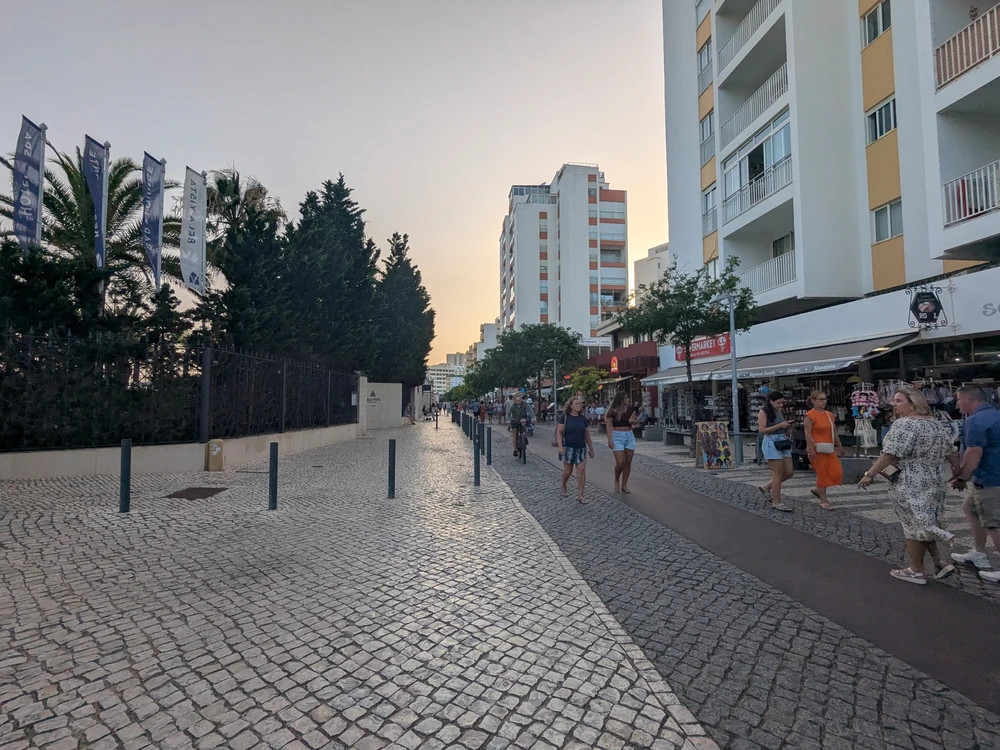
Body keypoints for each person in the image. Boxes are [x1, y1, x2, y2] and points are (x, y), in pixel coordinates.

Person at [859, 386, 958, 585]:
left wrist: (870, 474)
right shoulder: (936, 424)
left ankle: (916, 571)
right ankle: (939, 562)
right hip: (934, 481)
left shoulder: (904, 425)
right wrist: (960, 473)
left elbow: (889, 455)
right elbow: (951, 452)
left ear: (913, 403)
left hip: (910, 481)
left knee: (913, 526)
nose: (893, 404)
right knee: (924, 521)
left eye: (898, 400)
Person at [949, 385, 1000, 583]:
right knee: (970, 508)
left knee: (994, 522)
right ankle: (979, 552)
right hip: (989, 476)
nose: (957, 404)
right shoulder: (995, 415)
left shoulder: (976, 421)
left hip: (989, 479)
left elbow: (973, 452)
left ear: (969, 399)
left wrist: (962, 477)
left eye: (959, 400)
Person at [804, 391, 844, 510]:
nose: (823, 402)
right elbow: (807, 433)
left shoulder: (829, 415)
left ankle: (818, 489)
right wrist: (810, 448)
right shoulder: (810, 415)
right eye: (820, 399)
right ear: (813, 401)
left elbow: (834, 431)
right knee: (823, 473)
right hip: (817, 448)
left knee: (837, 472)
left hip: (829, 447)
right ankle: (823, 499)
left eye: (825, 399)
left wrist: (839, 446)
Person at [757, 391, 794, 512]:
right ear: (771, 401)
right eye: (778, 403)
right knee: (777, 473)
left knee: (789, 471)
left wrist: (787, 428)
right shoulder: (764, 412)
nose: (781, 405)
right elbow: (762, 430)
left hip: (782, 440)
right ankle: (777, 502)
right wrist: (779, 426)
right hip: (771, 442)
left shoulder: (778, 411)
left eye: (782, 403)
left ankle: (766, 487)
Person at [557, 397, 595, 503]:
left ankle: (581, 495)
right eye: (577, 403)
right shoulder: (565, 417)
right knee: (568, 471)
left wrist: (591, 448)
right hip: (568, 447)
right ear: (571, 406)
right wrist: (560, 447)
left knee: (581, 471)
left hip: (581, 448)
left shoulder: (582, 419)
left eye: (580, 404)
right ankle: (564, 485)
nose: (579, 405)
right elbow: (559, 432)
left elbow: (587, 434)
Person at [605, 393, 639, 493]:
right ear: (621, 399)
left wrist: (633, 421)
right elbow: (609, 426)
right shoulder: (612, 412)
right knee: (620, 462)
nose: (628, 399)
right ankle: (616, 479)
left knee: (628, 461)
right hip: (617, 435)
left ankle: (624, 485)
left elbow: (633, 421)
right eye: (626, 397)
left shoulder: (630, 409)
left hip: (629, 435)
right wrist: (610, 439)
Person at [507, 392, 534, 457]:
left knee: (524, 425)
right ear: (515, 400)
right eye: (517, 400)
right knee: (514, 434)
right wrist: (508, 420)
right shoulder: (513, 406)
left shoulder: (525, 403)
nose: (518, 402)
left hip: (522, 418)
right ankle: (515, 449)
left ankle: (524, 437)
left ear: (521, 400)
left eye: (519, 400)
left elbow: (530, 410)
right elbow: (508, 413)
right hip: (515, 419)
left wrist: (533, 417)